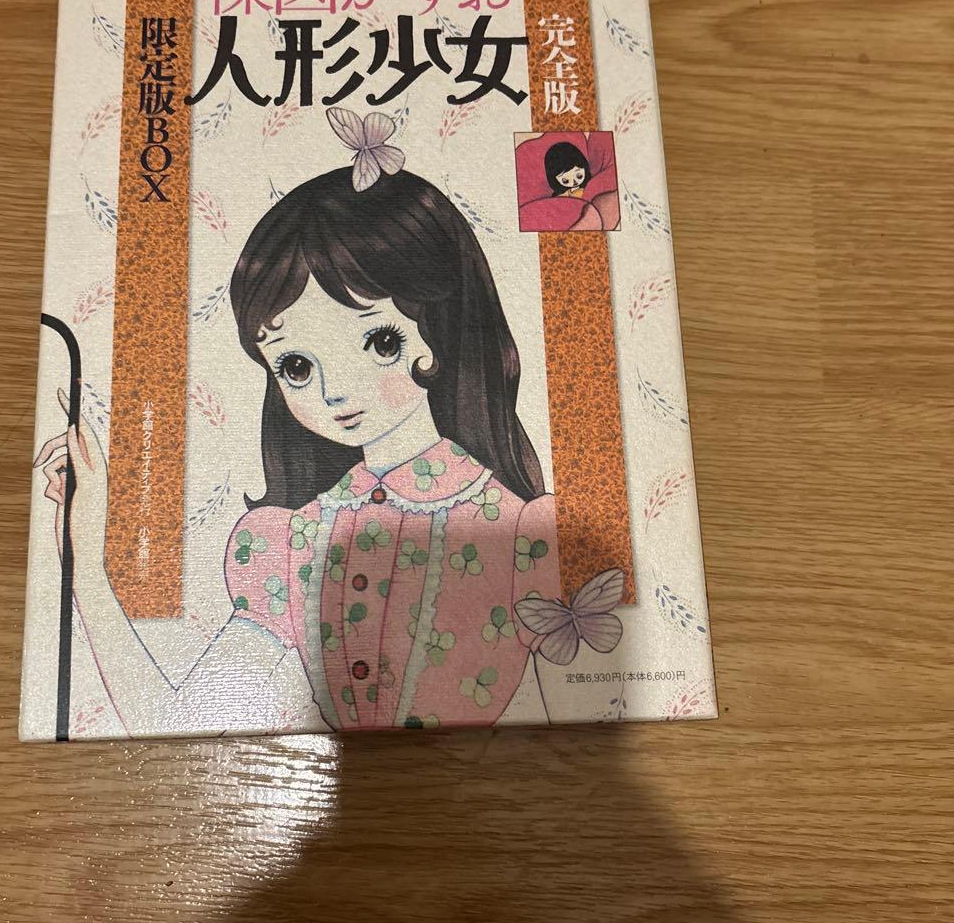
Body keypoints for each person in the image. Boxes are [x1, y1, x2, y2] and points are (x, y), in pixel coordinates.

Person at [35, 110, 579, 736]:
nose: (334, 390)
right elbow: (177, 715)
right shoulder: (291, 541)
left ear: (438, 328)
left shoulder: (525, 536)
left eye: (380, 341)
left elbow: (572, 728)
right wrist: (85, 555)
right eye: (295, 365)